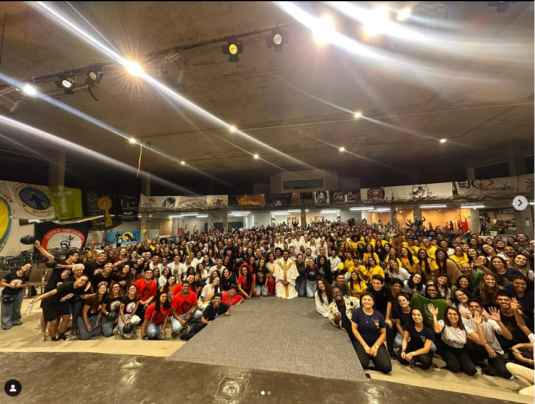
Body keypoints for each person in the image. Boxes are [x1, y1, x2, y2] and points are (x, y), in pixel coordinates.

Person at [30, 276, 92, 341]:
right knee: (53, 322)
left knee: (66, 317)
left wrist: (96, 294)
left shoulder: (80, 288)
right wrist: (37, 299)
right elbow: (51, 292)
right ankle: (53, 338)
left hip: (62, 302)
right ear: (77, 279)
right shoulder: (66, 285)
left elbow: (83, 296)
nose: (83, 282)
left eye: (85, 281)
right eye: (82, 280)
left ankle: (61, 335)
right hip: (50, 303)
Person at [464, 300, 512, 378]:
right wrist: (486, 346)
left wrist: (499, 322)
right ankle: (478, 364)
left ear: (482, 308)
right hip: (479, 348)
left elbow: (509, 337)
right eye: (471, 306)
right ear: (468, 308)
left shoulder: (489, 320)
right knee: (468, 344)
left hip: (494, 349)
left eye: (477, 306)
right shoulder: (466, 320)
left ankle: (488, 364)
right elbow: (472, 337)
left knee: (505, 373)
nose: (474, 308)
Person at [428, 304, 478, 376]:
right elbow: (437, 330)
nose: (452, 316)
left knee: (472, 370)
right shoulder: (443, 322)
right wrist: (434, 315)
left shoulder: (463, 326)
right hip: (447, 348)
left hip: (461, 350)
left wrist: (478, 324)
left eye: (455, 314)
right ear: (446, 315)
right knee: (455, 368)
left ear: (458, 315)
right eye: (450, 314)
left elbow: (480, 339)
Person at [350, 292, 392, 374]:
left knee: (387, 368)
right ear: (361, 301)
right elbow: (354, 329)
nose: (367, 301)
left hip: (375, 341)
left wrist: (375, 346)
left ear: (373, 302)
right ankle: (368, 356)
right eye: (364, 299)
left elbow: (383, 334)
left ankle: (374, 358)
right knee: (362, 364)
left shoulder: (379, 315)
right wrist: (365, 346)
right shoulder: (357, 313)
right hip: (361, 341)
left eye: (369, 300)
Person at [366, 275, 395, 359]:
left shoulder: (386, 289)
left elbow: (389, 303)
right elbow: (367, 302)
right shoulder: (369, 289)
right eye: (374, 283)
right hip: (373, 309)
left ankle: (390, 349)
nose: (375, 285)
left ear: (382, 284)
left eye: (378, 283)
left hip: (384, 309)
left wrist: (387, 318)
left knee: (388, 326)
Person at [1, 264, 30, 330]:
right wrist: (9, 285)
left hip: (19, 293)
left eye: (29, 267)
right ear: (22, 266)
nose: (27, 268)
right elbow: (2, 282)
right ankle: (6, 324)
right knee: (6, 309)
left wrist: (20, 286)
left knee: (16, 308)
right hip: (8, 293)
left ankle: (15, 321)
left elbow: (26, 284)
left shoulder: (26, 276)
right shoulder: (11, 274)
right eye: (26, 266)